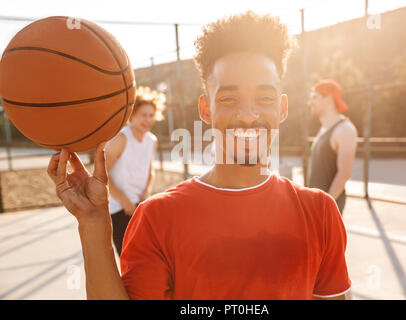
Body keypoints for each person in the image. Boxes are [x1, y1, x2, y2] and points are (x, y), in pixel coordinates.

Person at [47, 12, 351, 300]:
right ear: (206, 109)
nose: (247, 115)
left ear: (282, 108)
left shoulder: (320, 213)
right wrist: (92, 224)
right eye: (229, 98)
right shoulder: (157, 218)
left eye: (265, 98)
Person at [105, 86, 164, 256]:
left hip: (140, 206)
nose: (148, 119)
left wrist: (146, 192)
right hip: (118, 208)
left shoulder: (152, 140)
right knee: (127, 258)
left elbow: (149, 170)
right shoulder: (121, 139)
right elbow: (101, 175)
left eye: (151, 115)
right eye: (143, 115)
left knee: (147, 257)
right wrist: (123, 199)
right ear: (132, 115)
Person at [307, 80, 358, 215]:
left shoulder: (345, 129)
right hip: (315, 205)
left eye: (314, 98)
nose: (309, 103)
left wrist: (325, 206)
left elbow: (344, 174)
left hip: (327, 209)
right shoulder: (323, 128)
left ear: (328, 100)